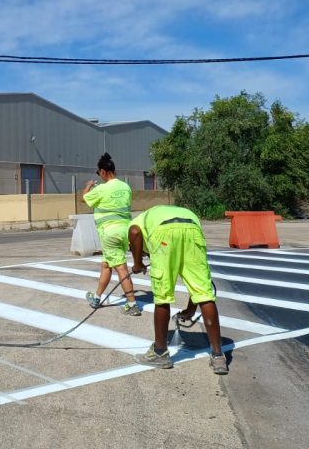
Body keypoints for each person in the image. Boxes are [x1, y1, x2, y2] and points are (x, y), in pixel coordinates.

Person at [129, 205, 228, 374]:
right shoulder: (154, 214)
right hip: (192, 228)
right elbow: (195, 286)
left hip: (164, 234)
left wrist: (137, 263)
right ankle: (218, 356)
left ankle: (160, 352)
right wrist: (190, 309)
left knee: (162, 295)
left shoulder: (136, 222)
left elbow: (134, 233)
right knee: (203, 291)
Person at [83, 153, 141, 316]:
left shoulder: (101, 189)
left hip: (110, 233)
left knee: (121, 267)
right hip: (125, 231)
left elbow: (85, 198)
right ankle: (96, 298)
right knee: (107, 265)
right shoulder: (126, 187)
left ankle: (132, 304)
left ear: (103, 172)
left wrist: (88, 186)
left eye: (99, 173)